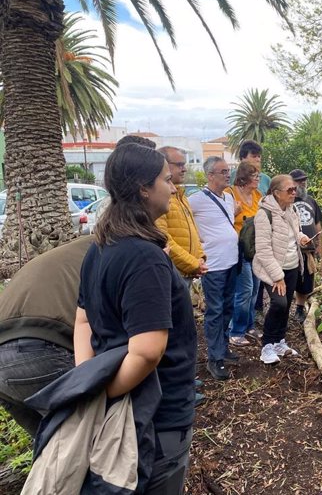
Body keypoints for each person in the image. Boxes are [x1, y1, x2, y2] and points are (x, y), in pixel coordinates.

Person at [76, 142, 197, 493]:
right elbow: (147, 351)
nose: (173, 186)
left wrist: (91, 383)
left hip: (124, 404)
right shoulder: (145, 257)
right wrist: (107, 392)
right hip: (156, 414)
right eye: (165, 179)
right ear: (144, 188)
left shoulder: (100, 246)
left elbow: (82, 322)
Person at [0, 236, 93, 437]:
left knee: (52, 453)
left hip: (6, 360)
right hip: (41, 345)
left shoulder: (71, 253)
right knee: (101, 439)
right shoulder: (121, 253)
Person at [188, 156, 240, 380]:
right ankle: (214, 358)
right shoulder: (196, 200)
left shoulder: (228, 198)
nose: (228, 175)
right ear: (210, 176)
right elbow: (184, 222)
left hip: (232, 261)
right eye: (222, 172)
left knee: (228, 308)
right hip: (213, 266)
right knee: (215, 311)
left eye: (228, 171)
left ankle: (223, 347)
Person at [252, 175, 310, 364]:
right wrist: (277, 277)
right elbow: (263, 250)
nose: (294, 192)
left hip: (292, 266)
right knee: (279, 303)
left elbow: (295, 231)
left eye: (295, 189)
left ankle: (279, 341)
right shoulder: (264, 214)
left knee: (286, 306)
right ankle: (267, 345)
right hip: (272, 269)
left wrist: (301, 238)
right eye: (290, 190)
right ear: (276, 193)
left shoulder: (291, 209)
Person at [155, 146, 207, 285]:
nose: (184, 169)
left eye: (184, 164)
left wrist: (200, 257)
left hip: (187, 272)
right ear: (163, 165)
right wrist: (193, 263)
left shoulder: (181, 196)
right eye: (179, 165)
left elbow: (193, 231)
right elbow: (164, 239)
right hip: (174, 274)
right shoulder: (160, 199)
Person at [226, 161, 263, 346]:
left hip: (254, 248)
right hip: (238, 248)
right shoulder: (230, 194)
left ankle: (249, 325)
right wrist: (234, 212)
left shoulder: (257, 195)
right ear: (244, 177)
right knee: (244, 290)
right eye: (255, 176)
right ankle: (235, 330)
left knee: (255, 290)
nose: (258, 179)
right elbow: (220, 220)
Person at [289, 169, 322, 323]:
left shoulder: (311, 201)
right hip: (291, 249)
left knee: (306, 282)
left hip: (308, 250)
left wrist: (319, 244)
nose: (303, 183)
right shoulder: (286, 200)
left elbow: (317, 223)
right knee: (291, 279)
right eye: (299, 180)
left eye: (304, 180)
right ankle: (283, 312)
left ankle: (299, 309)